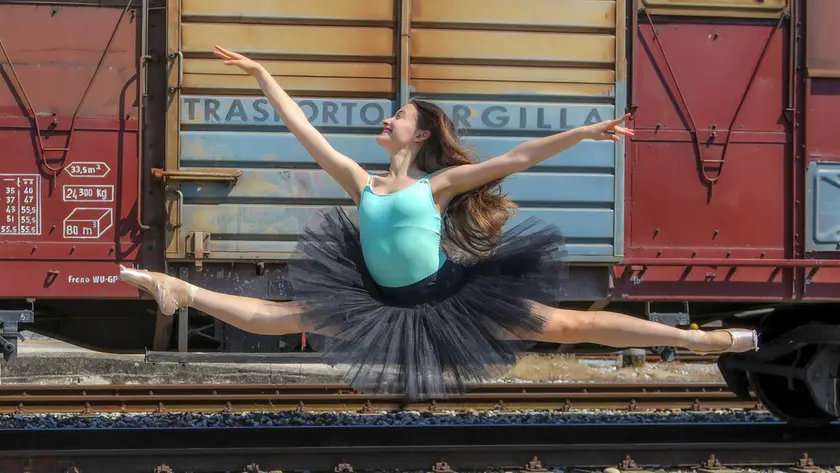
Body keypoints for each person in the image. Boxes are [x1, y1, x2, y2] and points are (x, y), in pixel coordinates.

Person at [119, 45, 758, 400]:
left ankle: (702, 343)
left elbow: (519, 156)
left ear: (418, 133)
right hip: (379, 299)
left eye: (396, 115)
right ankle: (181, 291)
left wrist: (587, 130)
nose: (386, 119)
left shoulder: (438, 184)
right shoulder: (359, 180)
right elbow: (304, 132)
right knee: (284, 316)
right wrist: (264, 76)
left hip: (447, 295)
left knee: (570, 324)